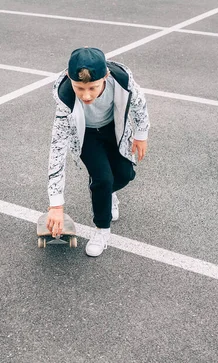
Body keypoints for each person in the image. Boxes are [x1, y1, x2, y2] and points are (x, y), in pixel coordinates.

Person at [46, 47, 150, 257]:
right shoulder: (65, 98)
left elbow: (140, 103)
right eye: (79, 88)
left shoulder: (121, 80)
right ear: (69, 77)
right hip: (87, 137)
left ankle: (107, 193)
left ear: (106, 76)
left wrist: (141, 133)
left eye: (93, 88)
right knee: (102, 178)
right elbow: (56, 150)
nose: (86, 95)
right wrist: (56, 204)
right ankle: (101, 230)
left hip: (114, 129)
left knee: (125, 175)